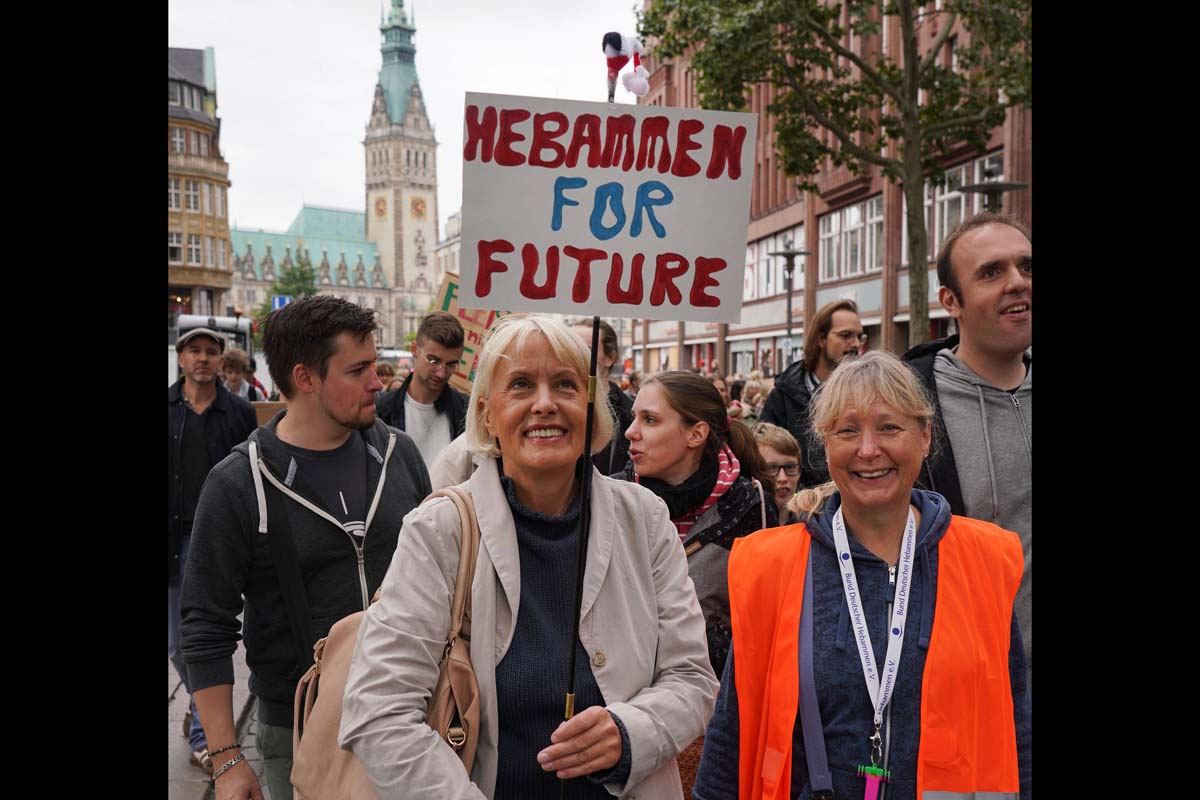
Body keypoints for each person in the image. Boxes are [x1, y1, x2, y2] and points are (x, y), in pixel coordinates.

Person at [341, 314, 719, 799]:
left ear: (590, 409)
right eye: (520, 385)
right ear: (487, 414)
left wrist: (631, 733)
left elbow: (691, 677)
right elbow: (378, 710)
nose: (545, 404)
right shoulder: (440, 531)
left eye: (564, 384)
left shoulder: (644, 520)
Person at [692, 351, 1030, 800]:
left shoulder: (983, 558)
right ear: (825, 445)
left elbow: (1015, 725)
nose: (868, 450)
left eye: (889, 427)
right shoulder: (771, 566)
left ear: (925, 437)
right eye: (847, 430)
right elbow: (733, 729)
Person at [180, 296, 431, 800]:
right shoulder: (238, 482)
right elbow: (206, 625)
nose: (377, 382)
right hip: (298, 728)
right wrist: (228, 758)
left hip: (412, 714)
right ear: (306, 378)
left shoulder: (398, 454)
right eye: (358, 369)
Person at [902, 211, 1032, 684]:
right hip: (961, 684)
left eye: (1027, 267)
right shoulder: (902, 410)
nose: (1017, 282)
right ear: (950, 301)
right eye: (992, 272)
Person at [622, 371, 777, 677]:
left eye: (650, 420)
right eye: (634, 417)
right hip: (627, 700)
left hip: (716, 699)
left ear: (696, 433)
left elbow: (762, 624)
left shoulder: (747, 505)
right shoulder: (616, 499)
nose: (631, 431)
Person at [169, 327, 256, 772]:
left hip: (226, 540)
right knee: (176, 644)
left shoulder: (238, 412)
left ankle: (207, 734)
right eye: (194, 351)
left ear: (222, 361)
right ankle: (202, 707)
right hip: (175, 539)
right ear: (181, 358)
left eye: (211, 352)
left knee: (210, 635)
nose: (203, 359)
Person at [759, 299, 866, 489]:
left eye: (859, 336)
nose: (856, 344)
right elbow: (762, 452)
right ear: (821, 339)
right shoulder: (784, 395)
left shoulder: (869, 392)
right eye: (846, 335)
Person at [376, 312, 469, 469]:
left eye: (451, 364)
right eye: (433, 361)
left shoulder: (466, 412)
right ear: (414, 349)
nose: (441, 372)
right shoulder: (383, 409)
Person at [573, 320, 634, 476]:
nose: (575, 356)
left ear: (610, 357)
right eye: (570, 349)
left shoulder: (631, 415)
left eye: (585, 350)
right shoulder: (553, 408)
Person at [750, 422, 803, 524]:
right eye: (771, 468)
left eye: (790, 467)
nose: (782, 478)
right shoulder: (740, 528)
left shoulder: (812, 522)